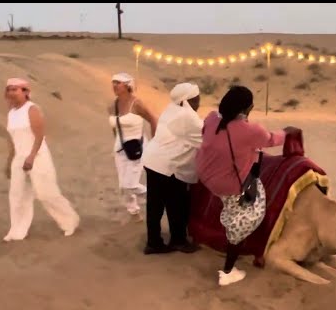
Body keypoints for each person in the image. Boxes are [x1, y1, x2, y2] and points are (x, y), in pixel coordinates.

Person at [196, 85, 292, 286]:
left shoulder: (212, 118)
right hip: (227, 185)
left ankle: (229, 221)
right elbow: (273, 139)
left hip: (205, 175)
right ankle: (229, 270)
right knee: (250, 211)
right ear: (248, 108)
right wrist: (288, 132)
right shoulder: (251, 130)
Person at [3, 77, 80, 241]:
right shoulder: (11, 113)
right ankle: (17, 230)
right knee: (17, 195)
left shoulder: (32, 109)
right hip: (18, 156)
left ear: (25, 92)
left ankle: (69, 221)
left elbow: (39, 136)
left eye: (15, 89)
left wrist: (31, 156)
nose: (11, 93)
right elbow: (11, 139)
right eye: (9, 89)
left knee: (46, 193)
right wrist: (10, 162)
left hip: (37, 155)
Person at [141, 82, 203, 254]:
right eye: (196, 100)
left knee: (155, 205)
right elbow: (206, 137)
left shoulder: (171, 109)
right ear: (187, 101)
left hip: (153, 161)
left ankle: (153, 242)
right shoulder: (187, 117)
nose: (199, 103)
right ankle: (178, 240)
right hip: (167, 165)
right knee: (178, 204)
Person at [107, 73, 158, 218]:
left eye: (118, 83)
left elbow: (153, 119)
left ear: (127, 85)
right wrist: (117, 144)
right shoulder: (112, 106)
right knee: (123, 186)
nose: (115, 86)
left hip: (138, 146)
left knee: (130, 184)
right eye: (113, 83)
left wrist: (154, 142)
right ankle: (133, 209)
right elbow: (115, 128)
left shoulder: (136, 103)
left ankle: (158, 196)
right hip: (120, 147)